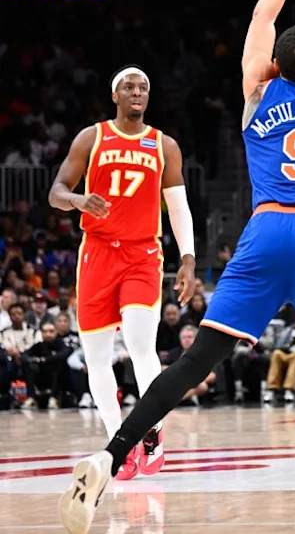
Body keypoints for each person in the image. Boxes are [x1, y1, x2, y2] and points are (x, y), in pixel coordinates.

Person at [59, 0, 295, 534]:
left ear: (272, 67)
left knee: (193, 363)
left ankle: (111, 454)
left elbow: (263, 17)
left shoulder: (255, 93)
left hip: (264, 229)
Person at [49, 57, 197, 481]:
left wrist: (187, 257)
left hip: (141, 255)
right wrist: (78, 200)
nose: (137, 93)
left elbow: (179, 207)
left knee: (139, 345)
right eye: (129, 87)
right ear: (115, 95)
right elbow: (56, 192)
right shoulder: (91, 137)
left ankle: (150, 431)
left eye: (143, 88)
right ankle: (119, 444)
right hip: (96, 253)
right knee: (97, 359)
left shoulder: (163, 144)